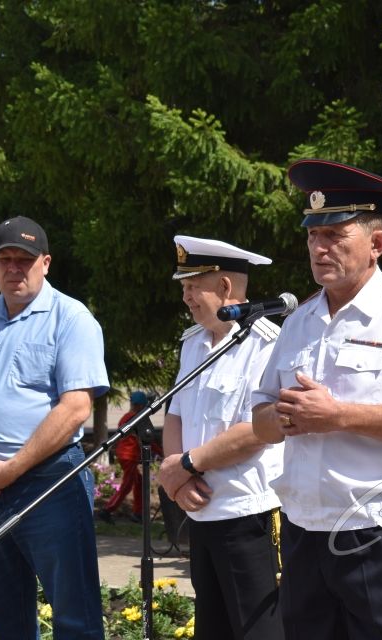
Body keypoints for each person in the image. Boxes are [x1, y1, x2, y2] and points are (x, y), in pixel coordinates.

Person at [252, 159, 382, 640]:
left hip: (379, 536)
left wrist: (336, 415)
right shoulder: (298, 321)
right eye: (312, 236)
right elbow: (260, 414)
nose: (319, 248)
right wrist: (282, 417)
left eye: (335, 236)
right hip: (304, 532)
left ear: (376, 245)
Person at [0, 215, 109, 639]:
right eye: (6, 259)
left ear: (46, 263)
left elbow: (75, 408)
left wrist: (13, 467)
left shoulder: (72, 319)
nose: (14, 268)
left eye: (25, 259)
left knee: (75, 617)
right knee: (3, 616)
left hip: (49, 486)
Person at [155, 235, 284, 640]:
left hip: (249, 514)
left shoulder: (266, 345)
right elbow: (174, 414)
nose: (186, 298)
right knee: (213, 629)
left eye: (193, 286)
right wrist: (176, 477)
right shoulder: (192, 344)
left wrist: (188, 464)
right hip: (200, 510)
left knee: (259, 631)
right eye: (184, 288)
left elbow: (259, 431)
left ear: (225, 288)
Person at [98, 390, 163, 524]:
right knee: (127, 485)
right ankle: (107, 510)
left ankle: (138, 513)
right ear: (140, 405)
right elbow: (147, 439)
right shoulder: (134, 418)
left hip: (126, 455)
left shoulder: (128, 417)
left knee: (138, 483)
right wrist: (162, 453)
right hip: (128, 455)